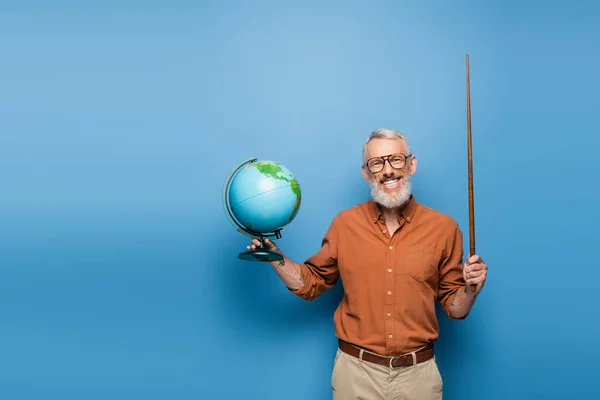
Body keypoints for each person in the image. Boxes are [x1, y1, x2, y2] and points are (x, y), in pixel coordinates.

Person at [246, 128, 488, 400]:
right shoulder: (345, 224)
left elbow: (455, 309)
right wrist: (275, 257)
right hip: (355, 375)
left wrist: (470, 289)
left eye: (396, 159)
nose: (388, 170)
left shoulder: (444, 228)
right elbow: (310, 283)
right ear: (366, 173)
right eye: (377, 163)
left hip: (418, 377)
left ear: (412, 164)